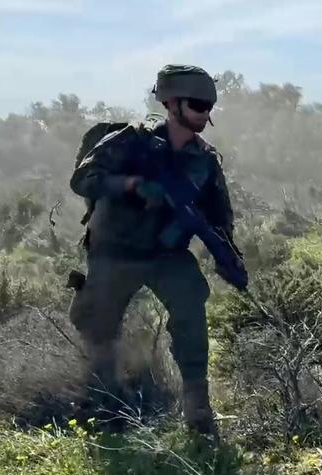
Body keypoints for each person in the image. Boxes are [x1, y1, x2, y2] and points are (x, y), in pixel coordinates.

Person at [68, 64, 239, 436]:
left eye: (209, 106)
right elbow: (83, 179)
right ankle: (102, 407)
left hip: (167, 256)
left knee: (192, 312)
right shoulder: (130, 141)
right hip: (116, 251)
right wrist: (131, 184)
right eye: (197, 104)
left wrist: (226, 253)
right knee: (100, 328)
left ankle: (197, 411)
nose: (204, 113)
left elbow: (220, 216)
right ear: (170, 102)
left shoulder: (205, 160)